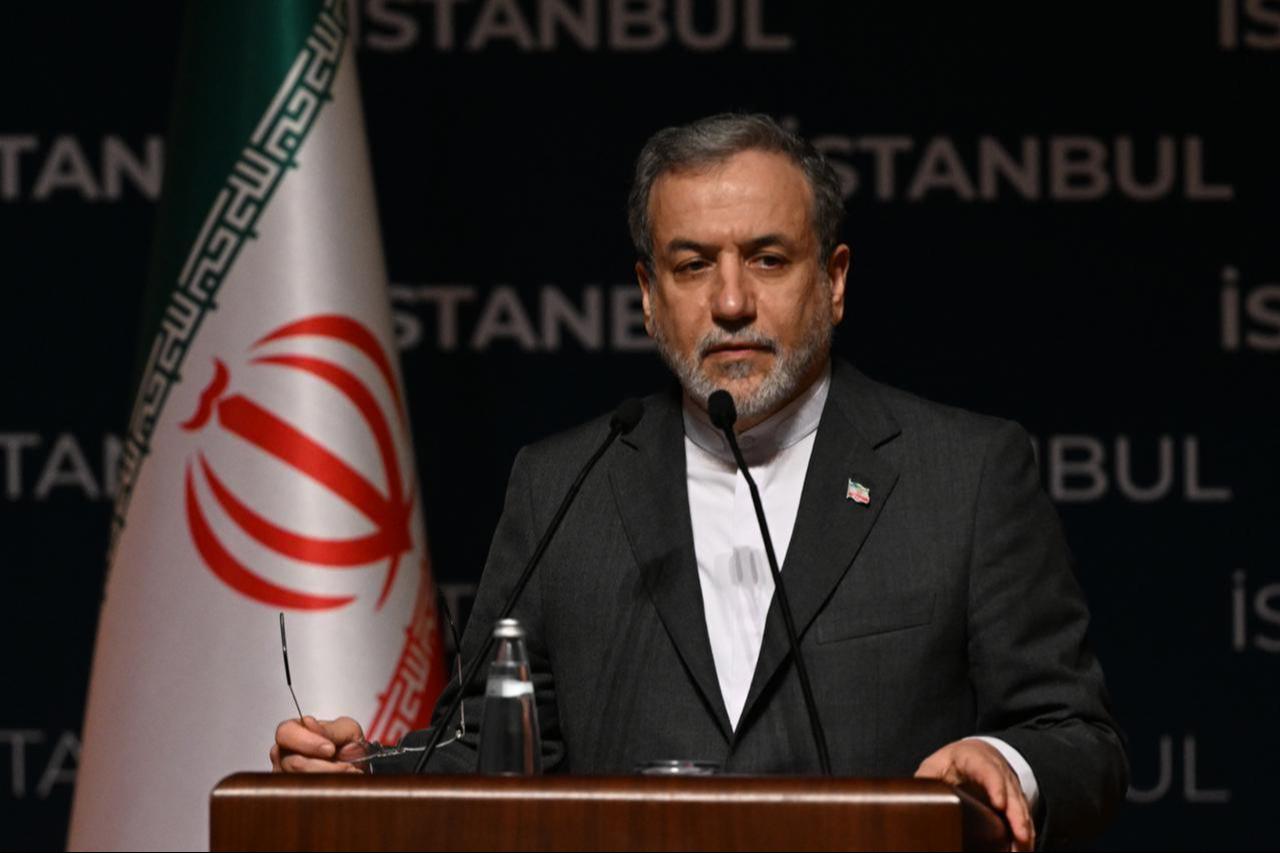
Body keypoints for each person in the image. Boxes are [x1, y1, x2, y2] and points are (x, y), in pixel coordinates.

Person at [271, 113, 1128, 850]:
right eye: (691, 265)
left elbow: (1077, 737)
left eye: (766, 259)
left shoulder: (965, 473)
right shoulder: (564, 482)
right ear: (649, 295)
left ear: (832, 280)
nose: (729, 303)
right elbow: (496, 749)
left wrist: (1006, 765)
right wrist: (367, 771)